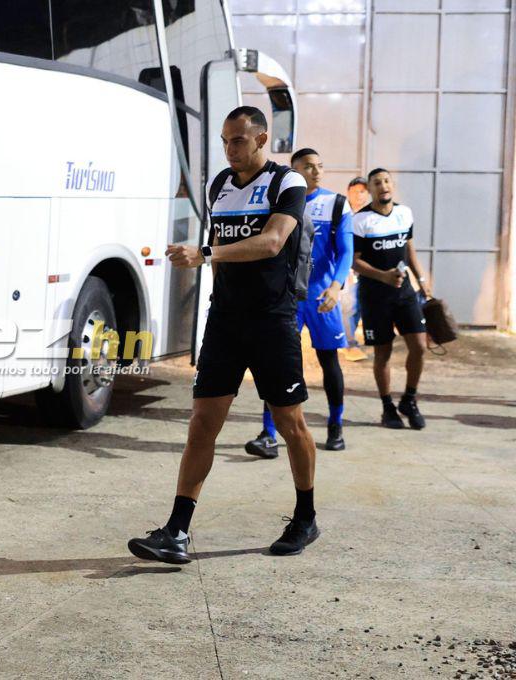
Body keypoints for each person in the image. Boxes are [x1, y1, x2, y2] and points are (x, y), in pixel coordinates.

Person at [127, 107, 319, 564]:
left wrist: (205, 253)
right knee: (202, 423)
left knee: (290, 423)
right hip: (226, 321)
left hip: (273, 320)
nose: (230, 149)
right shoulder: (219, 185)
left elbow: (272, 242)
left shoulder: (286, 182)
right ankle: (176, 531)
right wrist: (205, 268)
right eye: (225, 141)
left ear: (261, 138)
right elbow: (221, 251)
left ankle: (305, 517)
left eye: (238, 140)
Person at [244, 147, 353, 457]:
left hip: (321, 297)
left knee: (329, 361)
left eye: (320, 165)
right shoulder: (278, 200)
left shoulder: (337, 204)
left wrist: (335, 287)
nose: (316, 171)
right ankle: (268, 434)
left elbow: (346, 251)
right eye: (308, 166)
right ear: (293, 170)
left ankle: (335, 425)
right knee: (276, 363)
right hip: (286, 297)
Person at [352, 168, 430, 429]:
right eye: (377, 182)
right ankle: (388, 408)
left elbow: (409, 250)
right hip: (375, 297)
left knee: (419, 346)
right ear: (369, 189)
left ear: (392, 185)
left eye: (386, 181)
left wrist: (422, 281)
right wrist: (383, 276)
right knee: (383, 353)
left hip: (404, 293)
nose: (383, 185)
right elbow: (354, 262)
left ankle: (409, 399)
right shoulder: (360, 220)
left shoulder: (404, 213)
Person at [340, 176, 370, 361]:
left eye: (363, 191)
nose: (360, 195)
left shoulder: (369, 214)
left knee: (359, 305)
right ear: (348, 192)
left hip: (367, 268)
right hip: (349, 268)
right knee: (349, 306)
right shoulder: (343, 213)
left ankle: (350, 340)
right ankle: (348, 344)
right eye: (356, 191)